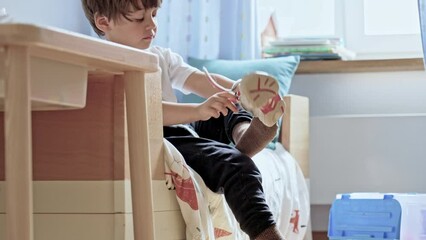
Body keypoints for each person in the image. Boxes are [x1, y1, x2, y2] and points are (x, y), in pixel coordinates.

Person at [81, 0, 286, 239]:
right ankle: (267, 232)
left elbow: (201, 80)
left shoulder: (160, 56)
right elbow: (144, 111)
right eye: (139, 18)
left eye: (155, 15)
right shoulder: (104, 64)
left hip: (184, 131)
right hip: (162, 138)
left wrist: (241, 92)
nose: (152, 26)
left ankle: (247, 133)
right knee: (240, 168)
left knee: (224, 103)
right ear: (103, 22)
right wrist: (198, 110)